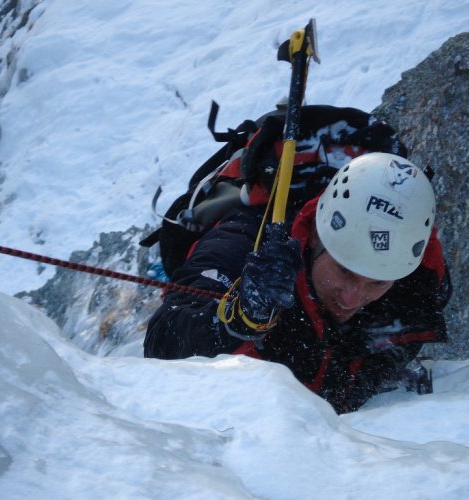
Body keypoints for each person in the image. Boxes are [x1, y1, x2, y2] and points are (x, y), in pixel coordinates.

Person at [144, 152, 451, 414]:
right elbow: (162, 342)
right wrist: (235, 320)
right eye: (344, 271)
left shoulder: (417, 280)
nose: (353, 298)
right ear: (316, 235)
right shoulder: (242, 245)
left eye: (377, 283)